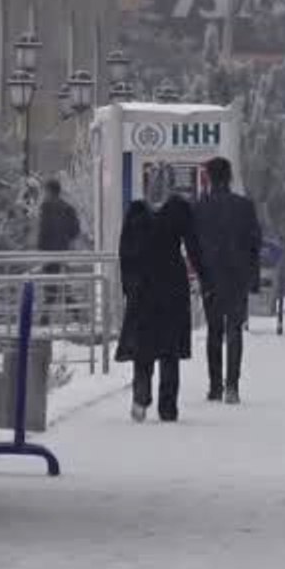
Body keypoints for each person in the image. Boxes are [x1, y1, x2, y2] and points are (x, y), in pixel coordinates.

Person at [115, 174, 211, 423]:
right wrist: (204, 277)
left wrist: (128, 285)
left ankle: (141, 396)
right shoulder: (179, 210)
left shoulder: (136, 212)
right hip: (171, 283)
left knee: (143, 346)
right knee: (169, 348)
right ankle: (167, 406)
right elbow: (193, 246)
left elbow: (124, 251)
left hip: (143, 285)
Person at [194, 157, 262, 405]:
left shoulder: (200, 207)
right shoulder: (244, 206)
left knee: (214, 330)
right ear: (230, 177)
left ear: (210, 177)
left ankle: (214, 386)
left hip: (211, 277)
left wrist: (201, 272)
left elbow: (193, 244)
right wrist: (252, 278)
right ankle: (232, 386)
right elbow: (255, 243)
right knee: (235, 330)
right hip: (238, 276)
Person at [36, 179, 81, 323]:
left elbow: (44, 230)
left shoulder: (46, 207)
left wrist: (40, 248)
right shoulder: (68, 208)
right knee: (62, 281)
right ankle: (74, 310)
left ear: (49, 191)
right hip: (63, 250)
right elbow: (75, 230)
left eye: (45, 191)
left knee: (51, 283)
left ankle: (46, 316)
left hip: (50, 251)